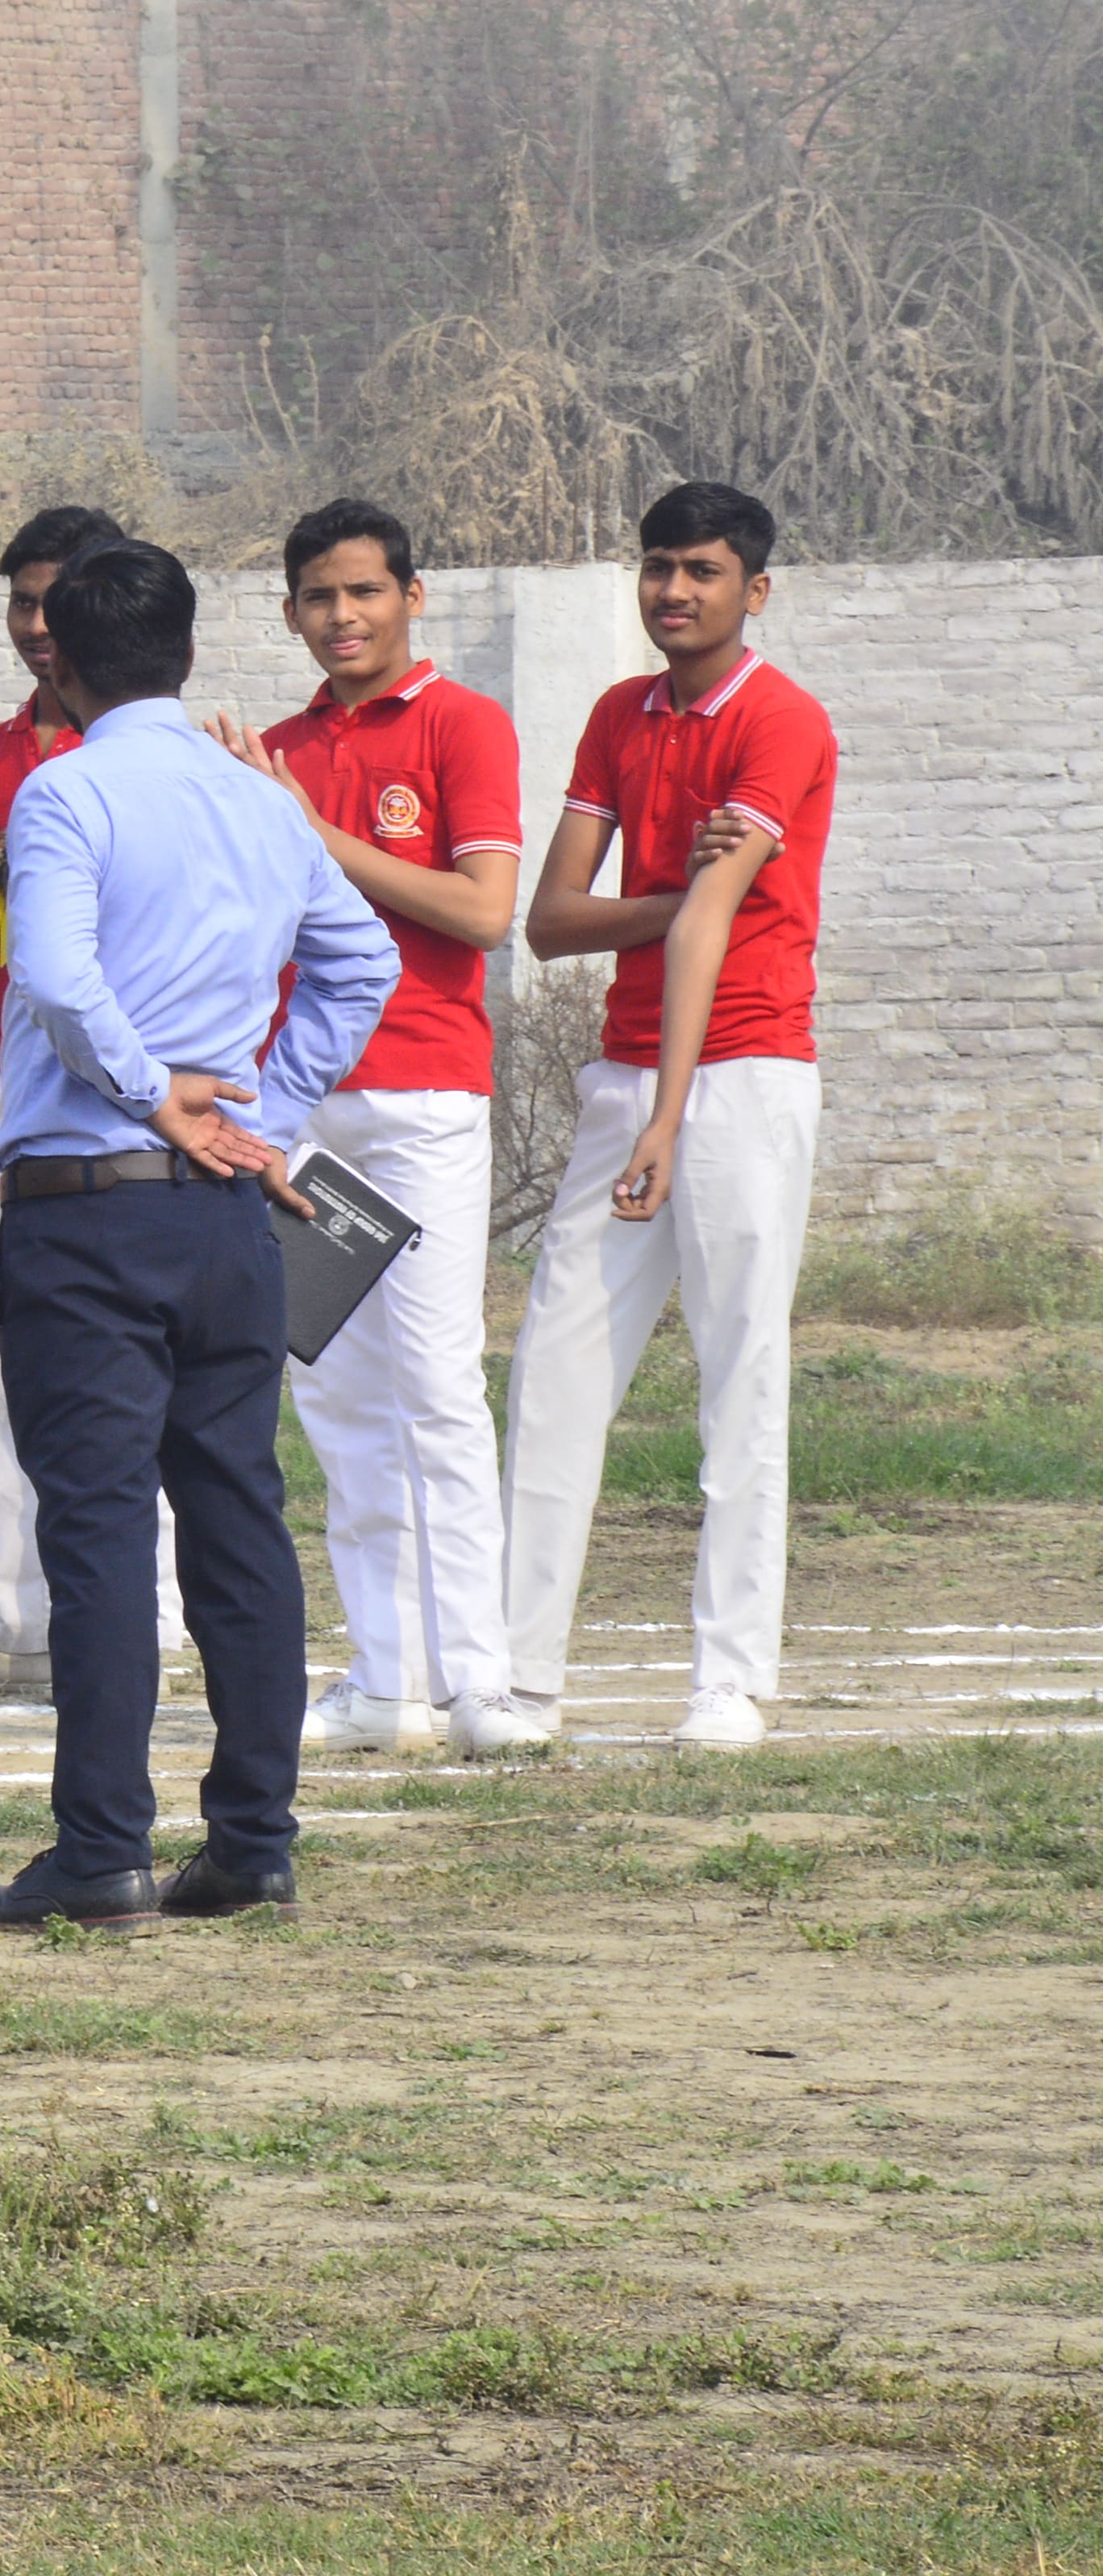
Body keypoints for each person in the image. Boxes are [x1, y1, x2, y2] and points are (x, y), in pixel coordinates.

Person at [0, 539, 397, 1931]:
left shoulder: (65, 787)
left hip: (92, 1207)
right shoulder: (260, 799)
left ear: (60, 665)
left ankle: (101, 1849)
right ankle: (253, 1840)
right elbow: (363, 963)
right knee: (238, 1515)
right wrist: (263, 1112)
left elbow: (56, 974)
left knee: (95, 1530)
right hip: (223, 1219)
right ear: (189, 654)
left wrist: (158, 1096)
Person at [491, 481, 837, 1757]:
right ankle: (517, 1679)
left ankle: (729, 1681)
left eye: (702, 570)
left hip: (744, 1078)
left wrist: (669, 1114)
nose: (673, 591)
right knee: (556, 1369)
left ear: (756, 589)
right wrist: (668, 898)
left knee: (740, 1372)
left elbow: (712, 925)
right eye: (657, 567)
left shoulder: (782, 720)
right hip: (626, 1076)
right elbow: (553, 921)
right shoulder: (615, 716)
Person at [228, 499, 522, 1758]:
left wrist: (313, 835)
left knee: (438, 1386)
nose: (342, 616)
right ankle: (387, 1683)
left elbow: (483, 911)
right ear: (291, 611)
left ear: (412, 596)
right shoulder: (277, 749)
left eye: (363, 592)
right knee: (339, 1396)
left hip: (425, 1103)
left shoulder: (464, 724)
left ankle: (483, 1685)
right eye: (318, 596)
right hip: (302, 1110)